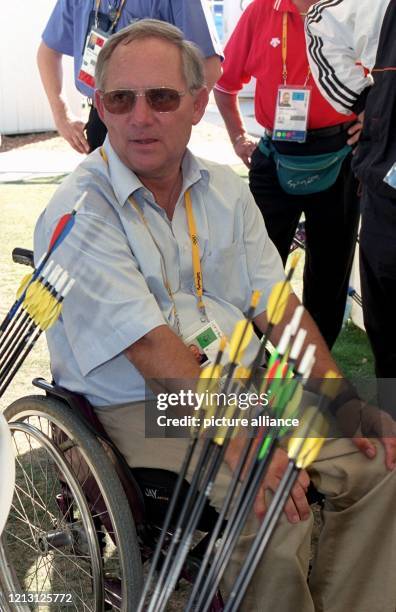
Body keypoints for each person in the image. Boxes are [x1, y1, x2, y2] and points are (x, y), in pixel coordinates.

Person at [34, 19, 396, 612]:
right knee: (270, 502)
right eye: (120, 99)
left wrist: (341, 399)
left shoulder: (224, 188)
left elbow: (278, 310)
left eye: (162, 97)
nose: (139, 116)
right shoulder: (81, 207)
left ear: (198, 104)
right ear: (100, 104)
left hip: (245, 382)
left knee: (376, 455)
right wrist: (248, 440)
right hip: (144, 398)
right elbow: (152, 350)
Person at [214, 0, 363, 350]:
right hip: (273, 157)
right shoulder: (260, 11)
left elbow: (385, 74)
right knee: (254, 268)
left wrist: (372, 114)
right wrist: (238, 137)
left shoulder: (354, 9)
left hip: (340, 157)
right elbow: (224, 86)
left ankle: (316, 367)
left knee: (330, 273)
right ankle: (250, 359)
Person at [305, 0, 396, 407]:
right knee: (388, 330)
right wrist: (364, 104)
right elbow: (321, 22)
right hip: (388, 195)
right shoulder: (379, 8)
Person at [37, 0, 223, 154]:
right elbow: (48, 53)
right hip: (100, 118)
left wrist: (173, 119)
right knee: (103, 195)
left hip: (152, 120)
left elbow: (209, 66)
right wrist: (61, 115)